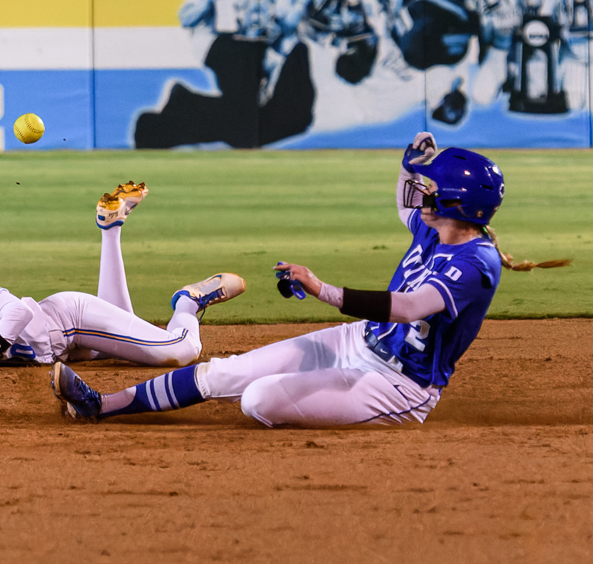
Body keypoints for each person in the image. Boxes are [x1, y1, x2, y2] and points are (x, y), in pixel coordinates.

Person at [52, 134, 543, 428]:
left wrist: (321, 288)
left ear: (457, 201)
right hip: (359, 340)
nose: (425, 191)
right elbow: (405, 202)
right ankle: (100, 405)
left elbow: (411, 308)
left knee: (259, 399)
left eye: (436, 186)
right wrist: (405, 166)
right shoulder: (437, 226)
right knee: (225, 373)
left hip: (397, 384)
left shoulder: (476, 263)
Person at [0, 182, 244, 371]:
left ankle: (188, 301)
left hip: (70, 322)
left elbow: (17, 313)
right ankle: (111, 228)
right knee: (128, 324)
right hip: (65, 350)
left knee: (180, 352)